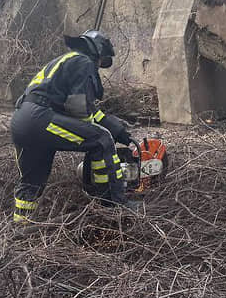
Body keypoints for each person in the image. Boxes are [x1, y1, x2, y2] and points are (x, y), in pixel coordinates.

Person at [10, 30, 141, 222]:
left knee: (31, 182)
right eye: (100, 61)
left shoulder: (65, 61)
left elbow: (85, 109)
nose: (98, 66)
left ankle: (20, 227)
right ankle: (113, 204)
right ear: (96, 51)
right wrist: (100, 133)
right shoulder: (83, 61)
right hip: (41, 118)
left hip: (22, 120)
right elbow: (79, 107)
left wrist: (116, 128)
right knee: (101, 140)